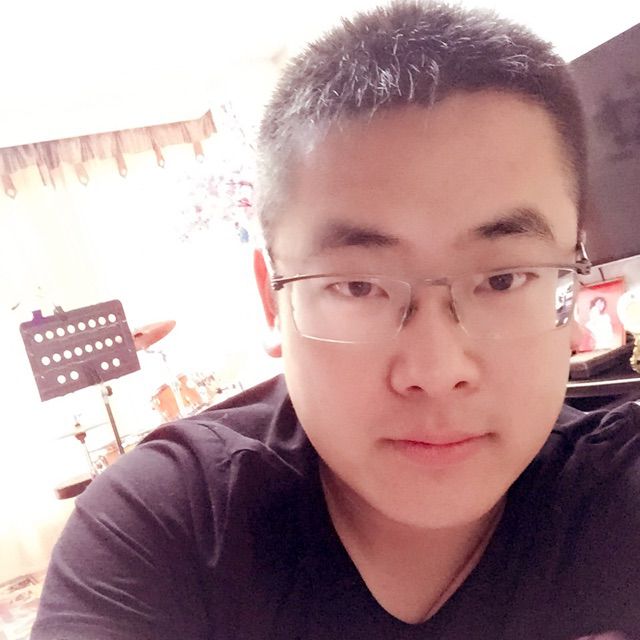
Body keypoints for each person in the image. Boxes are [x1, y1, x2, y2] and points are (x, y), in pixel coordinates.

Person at [32, 2, 640, 639]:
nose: (436, 371)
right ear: (273, 302)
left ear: (575, 276)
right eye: (357, 286)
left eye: (503, 279)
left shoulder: (618, 492)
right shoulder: (169, 524)